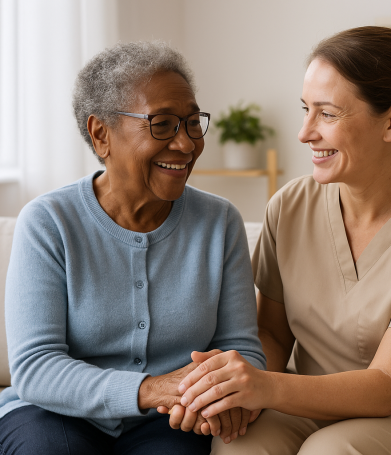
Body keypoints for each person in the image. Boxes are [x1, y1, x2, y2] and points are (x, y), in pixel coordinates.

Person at [176, 26, 391, 454]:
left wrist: (264, 387)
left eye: (327, 114)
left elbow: (387, 387)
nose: (305, 133)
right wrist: (231, 394)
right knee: (238, 445)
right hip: (303, 404)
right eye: (305, 109)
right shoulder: (290, 205)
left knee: (330, 451)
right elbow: (270, 333)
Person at [0, 41, 265, 455]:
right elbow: (35, 369)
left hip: (170, 421)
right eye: (162, 124)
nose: (185, 144)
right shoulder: (49, 222)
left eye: (192, 122)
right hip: (54, 415)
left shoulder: (219, 222)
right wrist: (152, 388)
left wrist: (219, 397)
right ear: (101, 133)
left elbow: (241, 347)